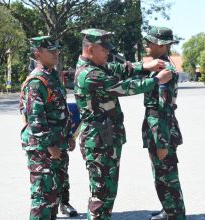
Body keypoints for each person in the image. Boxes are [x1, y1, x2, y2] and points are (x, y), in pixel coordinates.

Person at [74, 28, 173, 220]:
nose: (108, 53)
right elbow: (122, 87)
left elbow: (121, 68)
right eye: (104, 50)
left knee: (107, 194)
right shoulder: (89, 74)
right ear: (91, 49)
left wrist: (144, 67)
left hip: (105, 140)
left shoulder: (98, 66)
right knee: (101, 196)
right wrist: (155, 80)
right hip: (98, 143)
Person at [19, 36, 76, 220]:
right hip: (43, 149)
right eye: (51, 51)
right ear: (38, 53)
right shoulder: (37, 81)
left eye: (57, 50)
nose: (56, 53)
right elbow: (35, 117)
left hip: (57, 145)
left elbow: (60, 110)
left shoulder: (52, 75)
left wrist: (68, 137)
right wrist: (50, 145)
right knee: (42, 199)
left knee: (53, 197)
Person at [142, 26, 186, 220]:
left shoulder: (165, 70)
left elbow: (165, 107)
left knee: (167, 176)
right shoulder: (160, 66)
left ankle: (175, 213)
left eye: (150, 41)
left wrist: (162, 141)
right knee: (161, 175)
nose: (146, 44)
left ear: (160, 45)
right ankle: (169, 210)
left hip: (161, 128)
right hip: (157, 126)